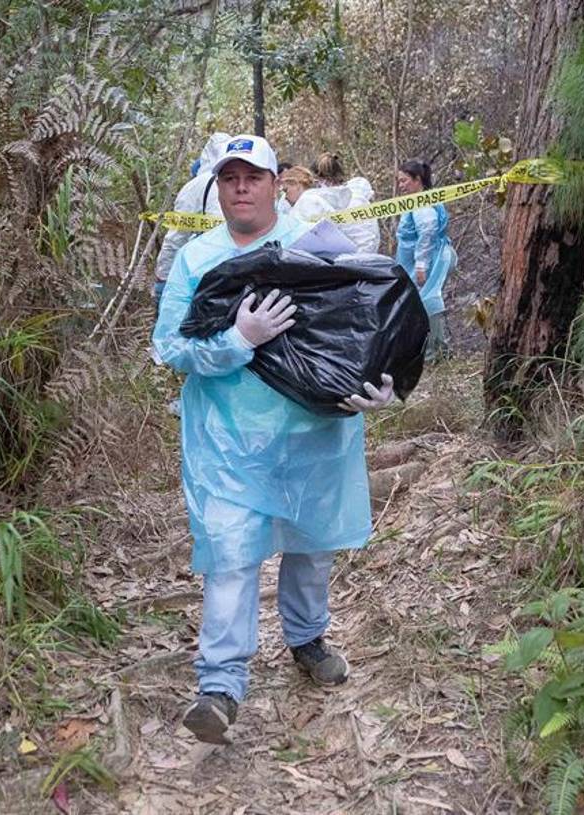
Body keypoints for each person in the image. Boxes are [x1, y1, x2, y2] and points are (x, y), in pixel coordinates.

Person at [152, 134, 396, 745]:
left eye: (253, 177)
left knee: (312, 547)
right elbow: (170, 347)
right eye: (230, 178)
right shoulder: (198, 258)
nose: (241, 188)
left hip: (314, 437)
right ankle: (220, 685)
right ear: (218, 186)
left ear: (272, 182)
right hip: (228, 444)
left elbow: (360, 325)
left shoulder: (314, 244)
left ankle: (307, 639)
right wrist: (239, 339)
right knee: (231, 559)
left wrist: (383, 381)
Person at [153, 132, 231, 306]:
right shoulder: (247, 184)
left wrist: (163, 277)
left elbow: (177, 236)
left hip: (199, 273)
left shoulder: (196, 186)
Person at [395, 159, 456, 359]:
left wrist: (421, 265)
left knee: (428, 299)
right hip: (421, 261)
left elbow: (428, 231)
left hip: (431, 259)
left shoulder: (422, 204)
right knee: (420, 301)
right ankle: (429, 348)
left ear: (417, 180)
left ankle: (436, 351)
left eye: (404, 181)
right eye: (399, 181)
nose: (401, 186)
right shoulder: (415, 202)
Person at [312, 153, 379, 253]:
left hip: (358, 264)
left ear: (322, 180)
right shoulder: (328, 201)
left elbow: (366, 242)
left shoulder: (354, 202)